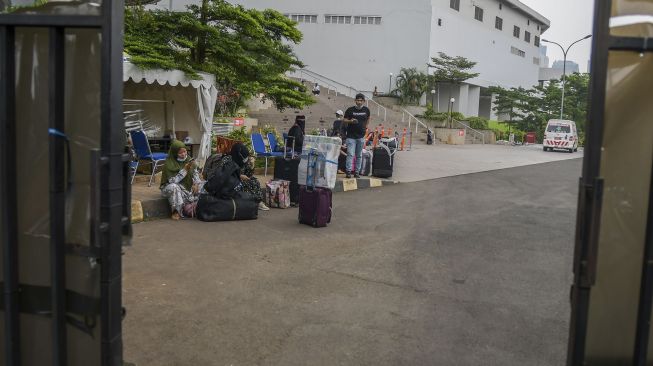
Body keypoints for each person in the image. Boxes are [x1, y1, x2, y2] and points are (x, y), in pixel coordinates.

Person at [211, 143, 269, 211]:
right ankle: (254, 201)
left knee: (254, 181)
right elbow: (223, 174)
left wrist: (252, 166)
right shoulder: (227, 159)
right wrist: (240, 176)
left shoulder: (242, 160)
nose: (245, 159)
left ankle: (256, 201)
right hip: (228, 183)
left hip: (238, 181)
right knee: (247, 184)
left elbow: (248, 175)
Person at [160, 140, 202, 220]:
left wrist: (196, 183)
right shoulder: (169, 163)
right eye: (180, 153)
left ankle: (198, 207)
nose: (183, 154)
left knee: (203, 185)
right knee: (174, 187)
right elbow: (173, 181)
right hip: (170, 188)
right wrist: (185, 170)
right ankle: (176, 211)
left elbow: (195, 174)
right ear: (175, 153)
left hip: (186, 188)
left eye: (185, 151)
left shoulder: (189, 160)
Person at [343, 93, 371, 178]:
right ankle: (348, 171)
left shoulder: (366, 110)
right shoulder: (350, 110)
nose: (359, 102)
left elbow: (368, 118)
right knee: (350, 154)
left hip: (361, 136)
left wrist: (366, 126)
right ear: (355, 100)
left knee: (359, 155)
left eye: (361, 100)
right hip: (351, 136)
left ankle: (357, 172)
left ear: (363, 101)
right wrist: (351, 121)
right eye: (357, 100)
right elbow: (344, 120)